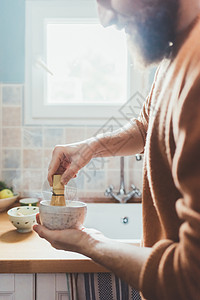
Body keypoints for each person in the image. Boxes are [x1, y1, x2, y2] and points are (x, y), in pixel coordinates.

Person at [34, 0, 200, 299]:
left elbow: (192, 278)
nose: (104, 18)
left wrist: (89, 244)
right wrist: (90, 148)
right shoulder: (177, 50)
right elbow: (148, 125)